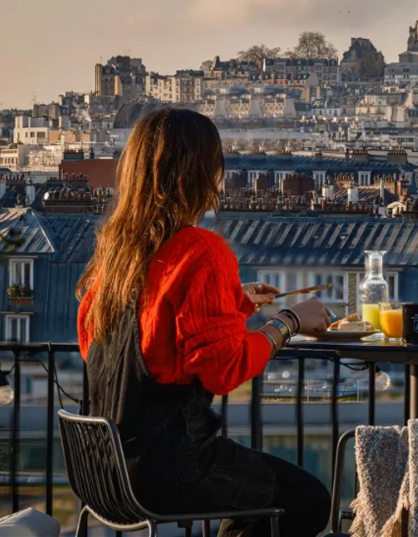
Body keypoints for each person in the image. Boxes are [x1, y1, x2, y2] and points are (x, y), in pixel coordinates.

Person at [77, 109, 331, 537]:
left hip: (107, 472)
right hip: (173, 469)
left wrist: (234, 303)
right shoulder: (201, 250)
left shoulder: (116, 257)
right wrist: (289, 321)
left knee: (259, 501)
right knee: (306, 500)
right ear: (202, 173)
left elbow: (143, 340)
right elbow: (224, 369)